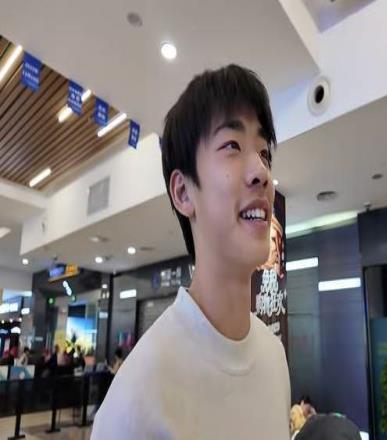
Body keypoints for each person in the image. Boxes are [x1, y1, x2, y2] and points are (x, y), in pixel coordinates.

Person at [91, 65, 290, 439]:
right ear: (183, 192)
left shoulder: (274, 358)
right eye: (232, 146)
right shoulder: (138, 394)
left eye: (264, 152)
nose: (262, 173)